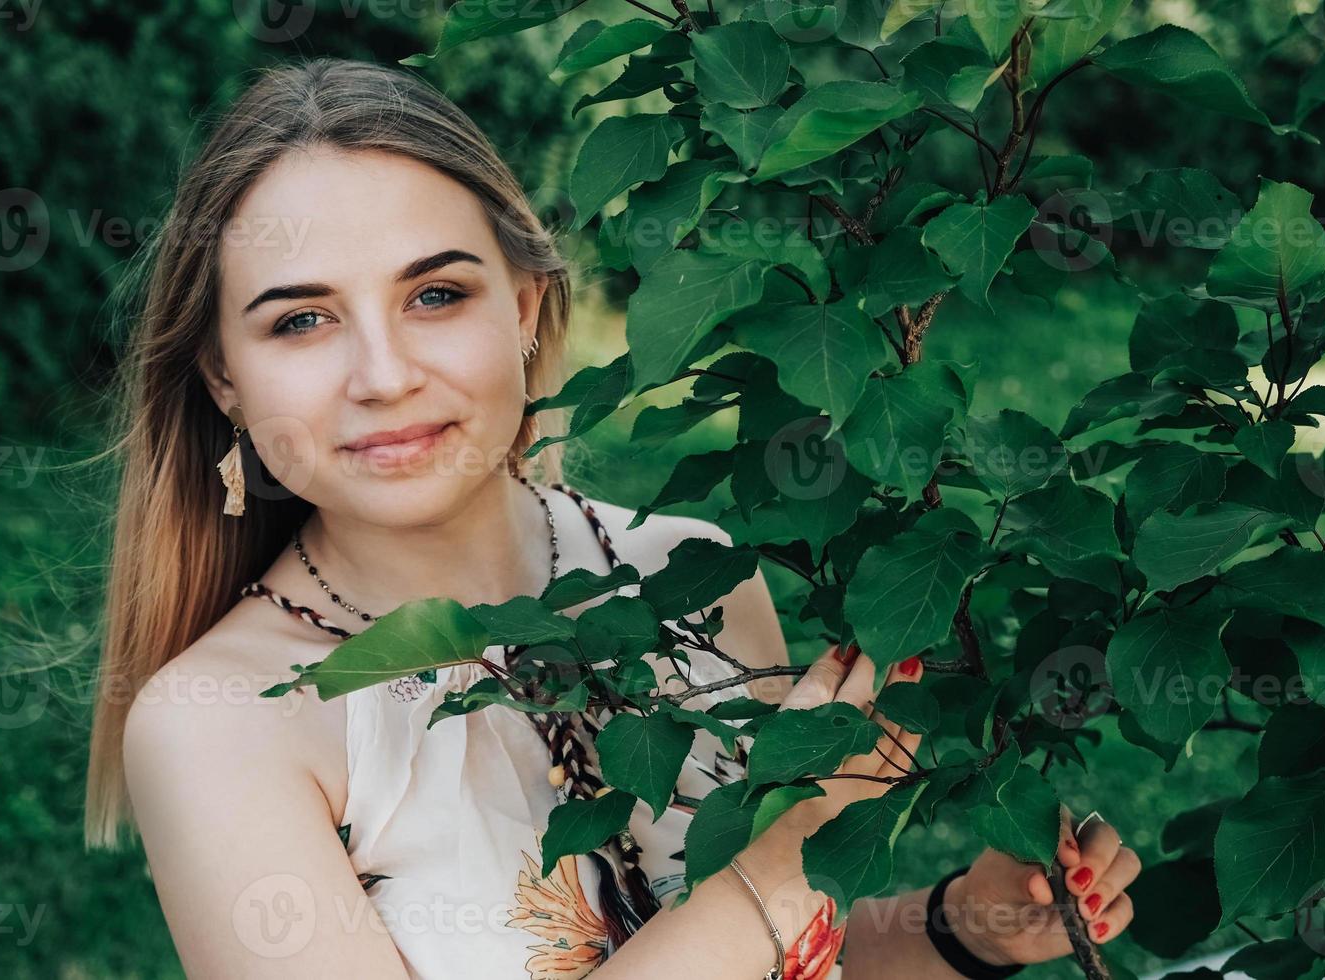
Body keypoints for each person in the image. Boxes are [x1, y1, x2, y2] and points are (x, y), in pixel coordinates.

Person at [84, 58, 1140, 979]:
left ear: (528, 303)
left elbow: (780, 952)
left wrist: (966, 929)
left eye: (437, 294)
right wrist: (792, 839)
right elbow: (760, 898)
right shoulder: (224, 723)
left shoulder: (698, 572)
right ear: (222, 374)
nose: (384, 373)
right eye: (303, 320)